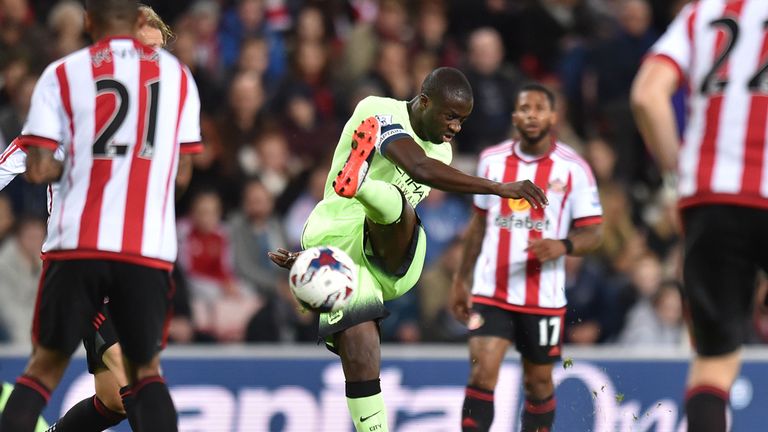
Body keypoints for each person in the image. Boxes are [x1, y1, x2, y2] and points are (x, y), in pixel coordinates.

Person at [268, 67, 548, 432]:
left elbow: (424, 166)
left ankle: (363, 184)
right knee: (361, 347)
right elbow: (417, 165)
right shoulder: (378, 110)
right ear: (424, 101)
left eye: (463, 121)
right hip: (339, 244)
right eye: (450, 116)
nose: (456, 128)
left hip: (397, 256)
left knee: (399, 206)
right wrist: (498, 188)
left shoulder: (442, 152)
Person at [0, 0, 201, 430]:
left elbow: (34, 162)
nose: (149, 58)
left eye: (158, 49)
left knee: (113, 399)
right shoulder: (145, 89)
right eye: (144, 45)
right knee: (138, 379)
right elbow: (20, 158)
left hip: (120, 255)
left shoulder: (75, 80)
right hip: (99, 253)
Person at [630, 1, 768, 431]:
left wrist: (679, 176)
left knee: (713, 362)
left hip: (710, 197)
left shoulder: (703, 13)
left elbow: (646, 96)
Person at [449, 83, 603, 432]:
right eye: (523, 108)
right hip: (492, 290)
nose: (531, 114)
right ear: (514, 115)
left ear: (554, 116)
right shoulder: (492, 160)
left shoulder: (574, 168)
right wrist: (461, 280)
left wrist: (563, 246)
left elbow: (595, 233)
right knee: (482, 370)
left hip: (543, 296)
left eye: (539, 108)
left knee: (538, 384)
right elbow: (478, 223)